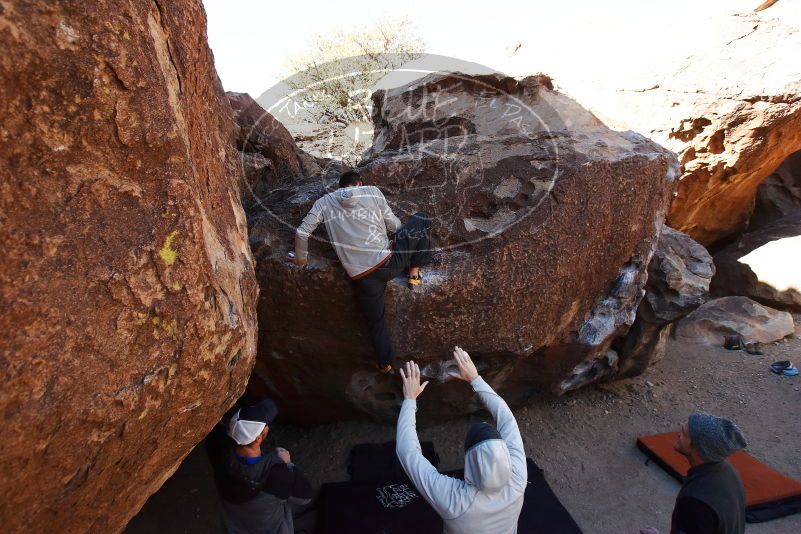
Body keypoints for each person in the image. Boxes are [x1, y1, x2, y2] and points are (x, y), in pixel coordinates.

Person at [294, 170, 434, 372]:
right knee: (422, 218)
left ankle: (385, 364)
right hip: (388, 263)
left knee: (375, 322)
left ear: (340, 188)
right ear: (359, 184)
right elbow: (393, 224)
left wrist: (300, 260)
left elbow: (301, 232)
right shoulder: (372, 192)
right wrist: (406, 238)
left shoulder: (323, 203)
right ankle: (414, 273)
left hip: (361, 278)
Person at [395, 347, 527, 533]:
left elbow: (406, 452)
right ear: (506, 455)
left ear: (470, 461)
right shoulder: (518, 477)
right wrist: (476, 378)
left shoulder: (454, 501)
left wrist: (410, 399)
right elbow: (508, 420)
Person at [205, 399, 313, 534]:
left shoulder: (219, 452)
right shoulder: (276, 473)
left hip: (236, 525)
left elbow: (215, 435)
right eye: (266, 424)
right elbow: (305, 498)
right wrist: (288, 464)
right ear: (258, 438)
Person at [641, 413, 747, 534]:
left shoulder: (695, 503)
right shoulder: (728, 472)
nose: (678, 431)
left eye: (684, 433)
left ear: (698, 448)